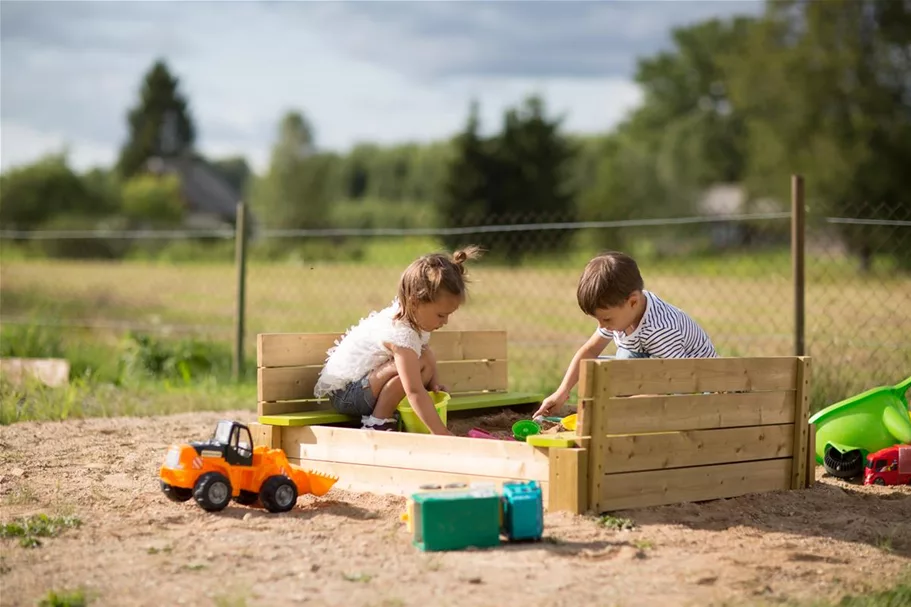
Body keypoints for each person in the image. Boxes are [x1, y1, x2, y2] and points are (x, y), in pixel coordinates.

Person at [314, 246, 484, 434]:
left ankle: (380, 417)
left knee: (422, 358)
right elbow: (414, 392)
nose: (445, 322)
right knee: (411, 372)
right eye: (441, 315)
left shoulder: (413, 318)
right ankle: (378, 422)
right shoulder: (401, 334)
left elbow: (426, 353)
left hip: (364, 387)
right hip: (347, 395)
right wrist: (441, 433)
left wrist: (433, 383)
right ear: (414, 302)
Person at [534, 251, 717, 418]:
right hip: (662, 376)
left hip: (697, 393)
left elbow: (673, 386)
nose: (602, 326)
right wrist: (562, 391)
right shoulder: (626, 311)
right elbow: (589, 351)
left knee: (616, 372)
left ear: (633, 302)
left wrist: (620, 408)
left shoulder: (660, 330)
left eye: (606, 319)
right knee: (598, 369)